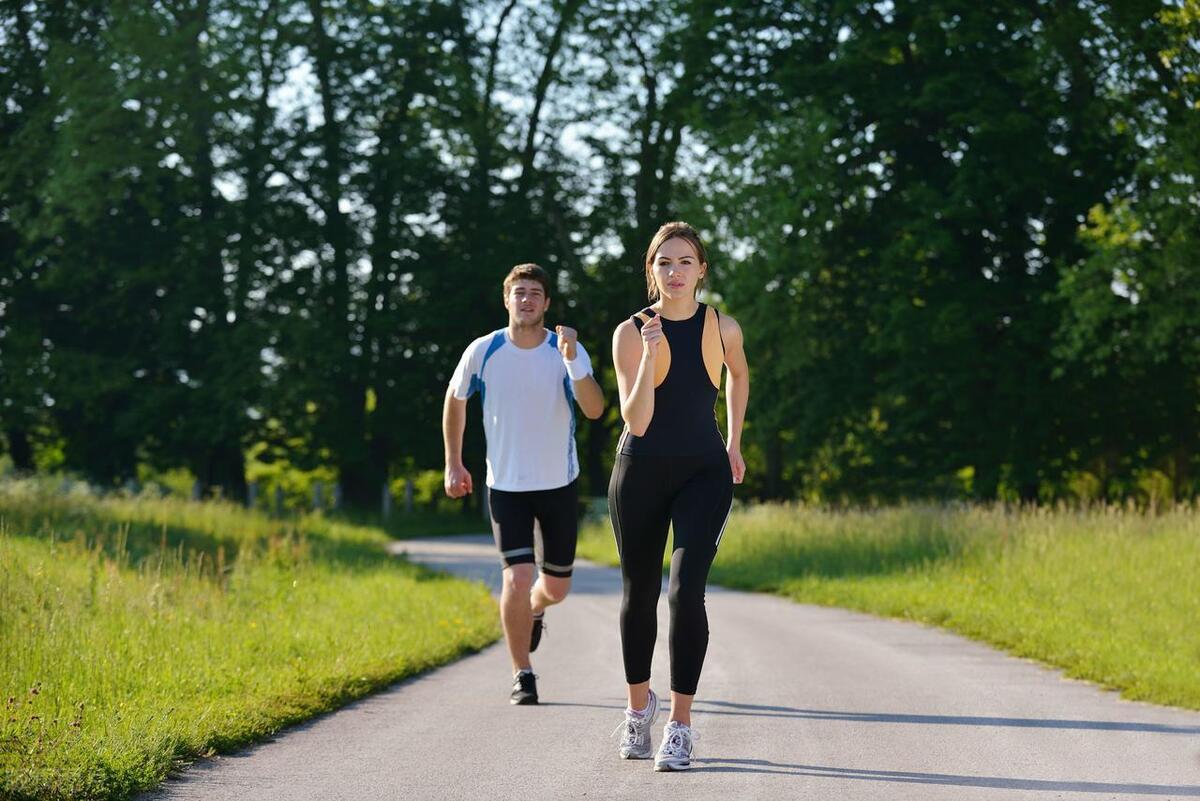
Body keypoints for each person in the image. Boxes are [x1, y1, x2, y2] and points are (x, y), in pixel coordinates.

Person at [608, 222, 749, 770]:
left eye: (685, 261)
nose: (674, 271)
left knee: (686, 592)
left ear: (701, 270)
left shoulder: (722, 327)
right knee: (639, 592)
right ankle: (637, 709)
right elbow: (637, 421)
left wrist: (734, 441)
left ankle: (680, 725)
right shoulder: (630, 332)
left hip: (704, 474)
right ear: (652, 271)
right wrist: (649, 355)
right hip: (639, 471)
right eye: (664, 262)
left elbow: (737, 375)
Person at [443, 263, 605, 705]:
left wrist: (574, 364)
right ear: (506, 299)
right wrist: (453, 463)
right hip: (506, 486)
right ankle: (523, 673)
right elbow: (455, 399)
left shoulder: (565, 349)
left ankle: (536, 608)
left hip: (558, 484)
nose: (527, 299)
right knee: (515, 577)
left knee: (555, 588)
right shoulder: (484, 350)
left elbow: (594, 410)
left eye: (535, 292)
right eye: (519, 292)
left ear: (547, 303)